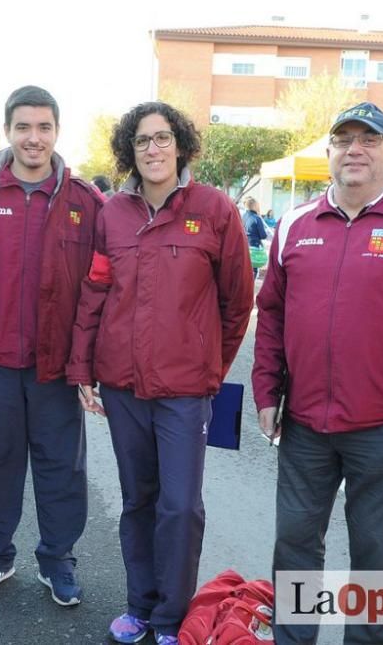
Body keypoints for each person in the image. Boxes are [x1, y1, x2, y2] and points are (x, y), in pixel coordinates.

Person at [252, 102, 383, 644]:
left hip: (382, 430)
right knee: (296, 547)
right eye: (343, 139)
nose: (355, 149)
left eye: (369, 140)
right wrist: (266, 390)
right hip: (303, 427)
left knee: (374, 555)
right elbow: (271, 313)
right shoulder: (295, 224)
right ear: (329, 154)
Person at [68, 101, 254, 645]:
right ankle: (140, 607)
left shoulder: (215, 210)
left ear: (181, 145)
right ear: (130, 150)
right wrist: (83, 366)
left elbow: (237, 303)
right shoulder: (112, 215)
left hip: (184, 391)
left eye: (163, 138)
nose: (153, 149)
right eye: (143, 141)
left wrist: (209, 367)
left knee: (180, 506)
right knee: (137, 501)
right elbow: (96, 290)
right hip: (123, 386)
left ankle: (172, 616)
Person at [0, 85, 103, 607]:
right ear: (7, 131)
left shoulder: (85, 200)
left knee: (62, 465)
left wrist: (90, 360)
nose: (33, 138)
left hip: (55, 365)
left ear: (57, 132)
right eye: (23, 127)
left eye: (43, 127)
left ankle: (57, 557)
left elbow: (104, 285)